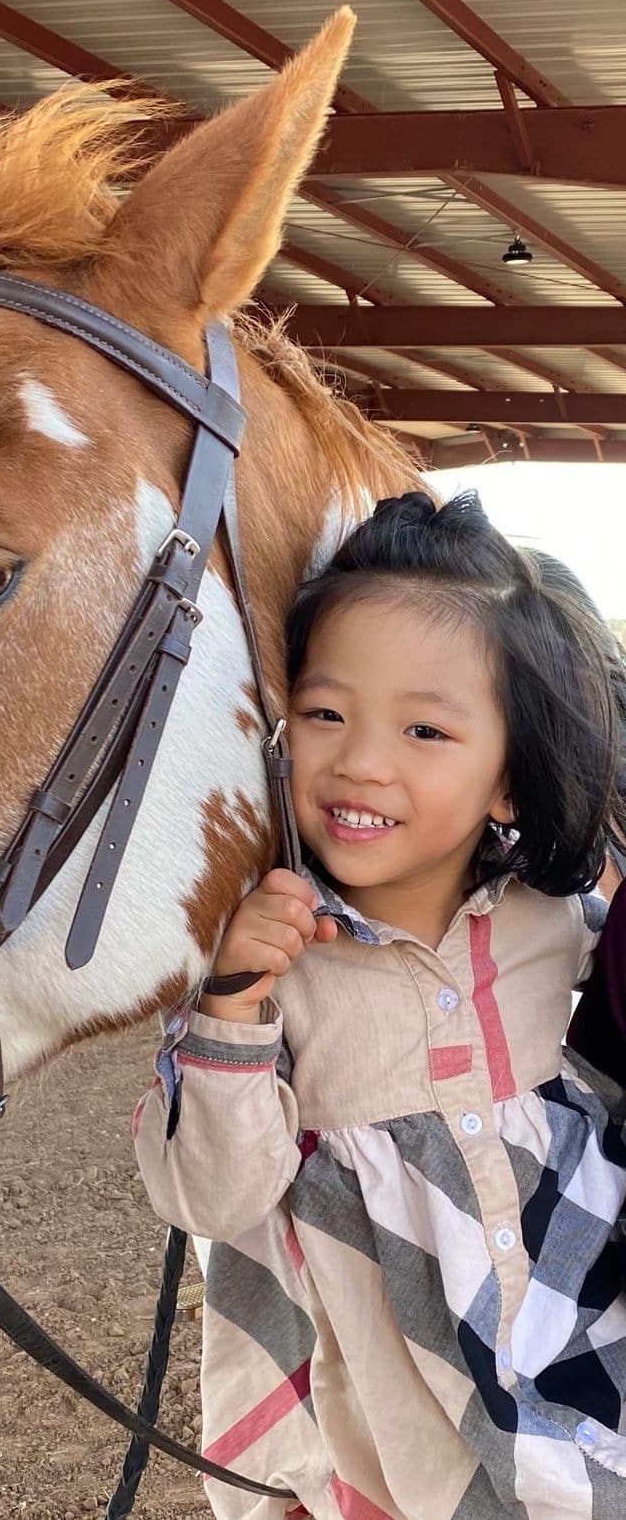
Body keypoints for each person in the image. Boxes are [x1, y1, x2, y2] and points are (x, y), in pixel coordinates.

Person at [133, 491, 626, 1519]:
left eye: (422, 728)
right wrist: (227, 1003)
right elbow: (211, 1203)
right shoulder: (264, 963)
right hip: (371, 1397)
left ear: (506, 781)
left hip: (569, 1329)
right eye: (324, 713)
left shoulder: (552, 917)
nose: (360, 759)